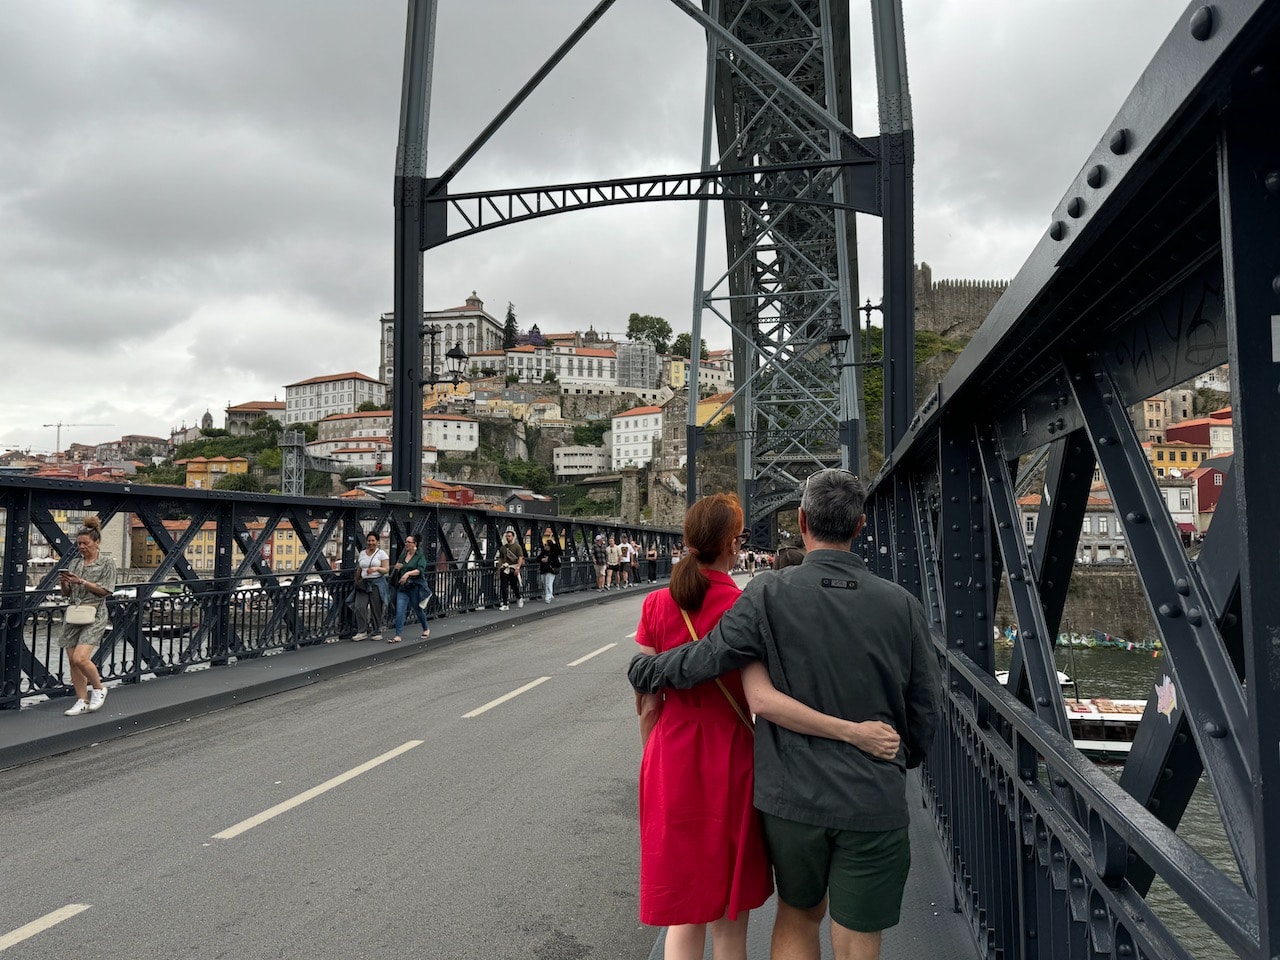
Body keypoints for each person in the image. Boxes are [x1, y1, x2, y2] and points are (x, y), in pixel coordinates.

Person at [630, 469, 941, 960]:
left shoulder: (767, 594)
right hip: (871, 794)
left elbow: (710, 656)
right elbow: (925, 706)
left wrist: (648, 670)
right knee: (859, 933)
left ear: (800, 521)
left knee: (799, 915)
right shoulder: (902, 605)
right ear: (860, 525)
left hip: (793, 796)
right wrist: (902, 757)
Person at [58, 515, 117, 716]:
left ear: (96, 542)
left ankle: (99, 689)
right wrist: (65, 583)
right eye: (79, 544)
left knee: (81, 658)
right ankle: (81, 700)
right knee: (72, 661)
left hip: (95, 613)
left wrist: (82, 582)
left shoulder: (107, 563)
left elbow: (106, 590)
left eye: (85, 543)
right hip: (74, 614)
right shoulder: (75, 563)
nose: (82, 547)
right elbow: (67, 594)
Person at [390, 533, 431, 643]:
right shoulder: (404, 555)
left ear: (415, 544)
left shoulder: (420, 555)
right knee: (400, 610)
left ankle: (426, 628)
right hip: (403, 587)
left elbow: (420, 570)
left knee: (417, 609)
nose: (406, 544)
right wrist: (399, 567)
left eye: (409, 542)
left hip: (414, 587)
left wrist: (408, 573)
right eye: (406, 541)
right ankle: (398, 635)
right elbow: (402, 566)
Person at [353, 532, 390, 640]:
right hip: (364, 583)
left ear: (377, 542)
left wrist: (376, 569)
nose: (371, 543)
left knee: (376, 608)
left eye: (373, 540)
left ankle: (376, 631)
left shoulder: (381, 554)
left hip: (376, 583)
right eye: (369, 541)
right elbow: (360, 568)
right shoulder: (363, 553)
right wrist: (356, 580)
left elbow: (386, 569)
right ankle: (362, 631)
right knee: (359, 606)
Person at [496, 528, 526, 610]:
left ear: (513, 537)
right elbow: (500, 559)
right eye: (506, 536)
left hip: (513, 568)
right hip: (504, 568)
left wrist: (518, 568)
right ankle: (505, 603)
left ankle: (519, 597)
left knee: (514, 586)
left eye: (509, 536)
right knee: (503, 586)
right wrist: (498, 570)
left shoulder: (517, 547)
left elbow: (520, 558)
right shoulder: (503, 548)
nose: (507, 538)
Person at [535, 528, 563, 604]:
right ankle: (549, 594)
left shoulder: (554, 553)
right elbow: (537, 559)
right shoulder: (543, 552)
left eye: (546, 545)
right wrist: (542, 560)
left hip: (551, 569)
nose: (545, 546)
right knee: (544, 582)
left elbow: (557, 560)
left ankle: (548, 596)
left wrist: (549, 559)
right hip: (543, 569)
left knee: (548, 583)